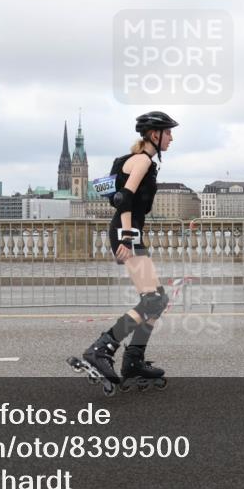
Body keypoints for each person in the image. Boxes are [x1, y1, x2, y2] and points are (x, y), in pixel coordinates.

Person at [81, 111, 179, 388]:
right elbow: (124, 199)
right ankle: (102, 348)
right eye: (168, 132)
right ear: (154, 135)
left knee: (157, 300)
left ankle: (134, 359)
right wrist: (126, 239)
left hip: (129, 230)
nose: (171, 137)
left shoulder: (132, 160)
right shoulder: (142, 161)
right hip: (128, 232)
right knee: (152, 300)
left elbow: (112, 192)